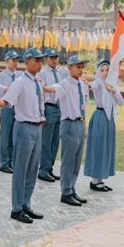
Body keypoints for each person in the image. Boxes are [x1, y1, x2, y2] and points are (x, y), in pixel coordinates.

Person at [0, 48, 45, 224]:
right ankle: (16, 208)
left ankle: (26, 204)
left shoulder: (37, 81)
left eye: (41, 61)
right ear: (27, 61)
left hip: (37, 128)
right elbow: (6, 102)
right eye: (36, 60)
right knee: (21, 170)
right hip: (23, 128)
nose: (39, 64)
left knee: (32, 170)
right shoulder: (20, 82)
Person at [44, 55, 90, 207]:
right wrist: (41, 86)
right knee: (68, 160)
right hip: (69, 124)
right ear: (69, 68)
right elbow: (51, 89)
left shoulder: (82, 85)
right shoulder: (64, 84)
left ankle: (72, 188)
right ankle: (65, 192)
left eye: (82, 66)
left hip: (79, 123)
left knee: (77, 160)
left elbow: (85, 107)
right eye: (78, 66)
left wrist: (85, 126)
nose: (80, 69)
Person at [84, 60, 124, 192]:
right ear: (98, 72)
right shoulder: (98, 83)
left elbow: (121, 102)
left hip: (110, 119)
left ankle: (100, 179)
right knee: (98, 147)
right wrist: (86, 82)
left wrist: (113, 91)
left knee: (106, 148)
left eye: (107, 70)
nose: (105, 73)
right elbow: (92, 85)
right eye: (102, 70)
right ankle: (94, 180)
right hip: (100, 117)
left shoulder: (113, 85)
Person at [37, 49, 69, 182]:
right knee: (46, 141)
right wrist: (42, 112)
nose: (54, 60)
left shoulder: (61, 71)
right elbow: (41, 92)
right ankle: (43, 169)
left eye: (56, 57)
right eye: (51, 58)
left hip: (59, 108)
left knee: (55, 141)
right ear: (46, 59)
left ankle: (49, 167)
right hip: (49, 108)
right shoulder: (43, 73)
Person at [0, 50, 22, 174]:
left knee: (15, 136)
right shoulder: (1, 76)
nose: (15, 62)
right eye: (13, 60)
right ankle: (4, 162)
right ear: (7, 61)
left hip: (18, 108)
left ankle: (12, 161)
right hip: (6, 108)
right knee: (5, 135)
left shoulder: (20, 75)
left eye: (17, 60)